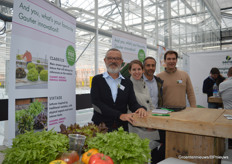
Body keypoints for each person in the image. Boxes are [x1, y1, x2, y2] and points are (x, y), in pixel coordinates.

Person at [90, 48, 147, 132]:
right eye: (110, 58)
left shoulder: (127, 82)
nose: (113, 61)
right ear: (105, 60)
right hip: (101, 127)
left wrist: (140, 108)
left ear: (121, 61)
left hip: (121, 128)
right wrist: (119, 115)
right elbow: (96, 103)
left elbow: (132, 103)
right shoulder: (97, 80)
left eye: (117, 58)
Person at [142, 57, 165, 164]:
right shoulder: (136, 81)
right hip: (142, 121)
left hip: (157, 119)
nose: (151, 68)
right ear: (143, 67)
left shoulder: (158, 81)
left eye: (153, 65)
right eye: (148, 65)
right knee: (144, 148)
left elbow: (159, 100)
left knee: (158, 146)